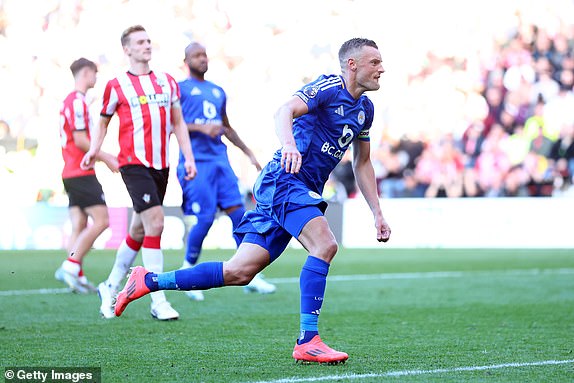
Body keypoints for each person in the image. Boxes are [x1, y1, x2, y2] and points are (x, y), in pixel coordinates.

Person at [115, 37, 391, 363]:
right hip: (285, 181)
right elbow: (284, 110)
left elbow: (362, 163)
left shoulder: (365, 111)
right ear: (352, 64)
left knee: (239, 271)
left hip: (296, 189)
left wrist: (377, 212)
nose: (381, 68)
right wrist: (288, 144)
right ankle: (308, 340)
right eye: (374, 62)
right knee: (325, 245)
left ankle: (147, 280)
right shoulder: (329, 88)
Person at [81, 25, 197, 320]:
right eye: (140, 42)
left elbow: (179, 123)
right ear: (127, 50)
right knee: (156, 223)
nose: (147, 45)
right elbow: (103, 122)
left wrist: (189, 157)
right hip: (133, 164)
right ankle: (157, 301)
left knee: (139, 229)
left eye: (148, 40)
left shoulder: (167, 81)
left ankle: (109, 285)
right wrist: (95, 149)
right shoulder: (116, 85)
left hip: (162, 164)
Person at [177, 42, 275, 301]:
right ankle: (189, 274)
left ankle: (249, 274)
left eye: (204, 55)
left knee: (240, 216)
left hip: (220, 161)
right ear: (186, 60)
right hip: (196, 162)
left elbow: (226, 128)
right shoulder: (180, 89)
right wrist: (201, 128)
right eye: (197, 56)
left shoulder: (218, 91)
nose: (202, 59)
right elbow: (172, 125)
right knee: (206, 218)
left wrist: (249, 153)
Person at [55, 57, 119, 294]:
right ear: (85, 73)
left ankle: (76, 274)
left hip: (70, 171)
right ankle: (70, 266)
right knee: (102, 221)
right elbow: (81, 140)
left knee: (79, 224)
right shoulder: (77, 102)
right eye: (94, 73)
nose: (96, 78)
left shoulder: (71, 101)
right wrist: (107, 157)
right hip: (80, 171)